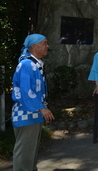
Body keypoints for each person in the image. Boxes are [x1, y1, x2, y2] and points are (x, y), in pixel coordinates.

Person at [12, 34, 55, 171]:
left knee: (29, 153)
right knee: (25, 153)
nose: (47, 46)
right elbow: (26, 91)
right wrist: (42, 108)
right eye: (44, 43)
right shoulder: (27, 65)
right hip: (27, 113)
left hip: (31, 113)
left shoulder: (34, 64)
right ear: (34, 46)